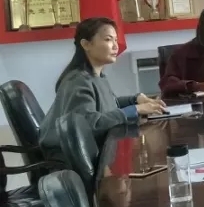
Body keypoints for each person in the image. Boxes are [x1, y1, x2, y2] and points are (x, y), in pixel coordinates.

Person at [40, 17, 167, 158]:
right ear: (86, 44)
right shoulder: (78, 81)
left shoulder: (96, 75)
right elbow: (89, 123)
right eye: (108, 39)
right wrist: (135, 109)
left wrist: (136, 99)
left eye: (115, 40)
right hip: (69, 158)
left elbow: (108, 106)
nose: (116, 46)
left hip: (91, 150)